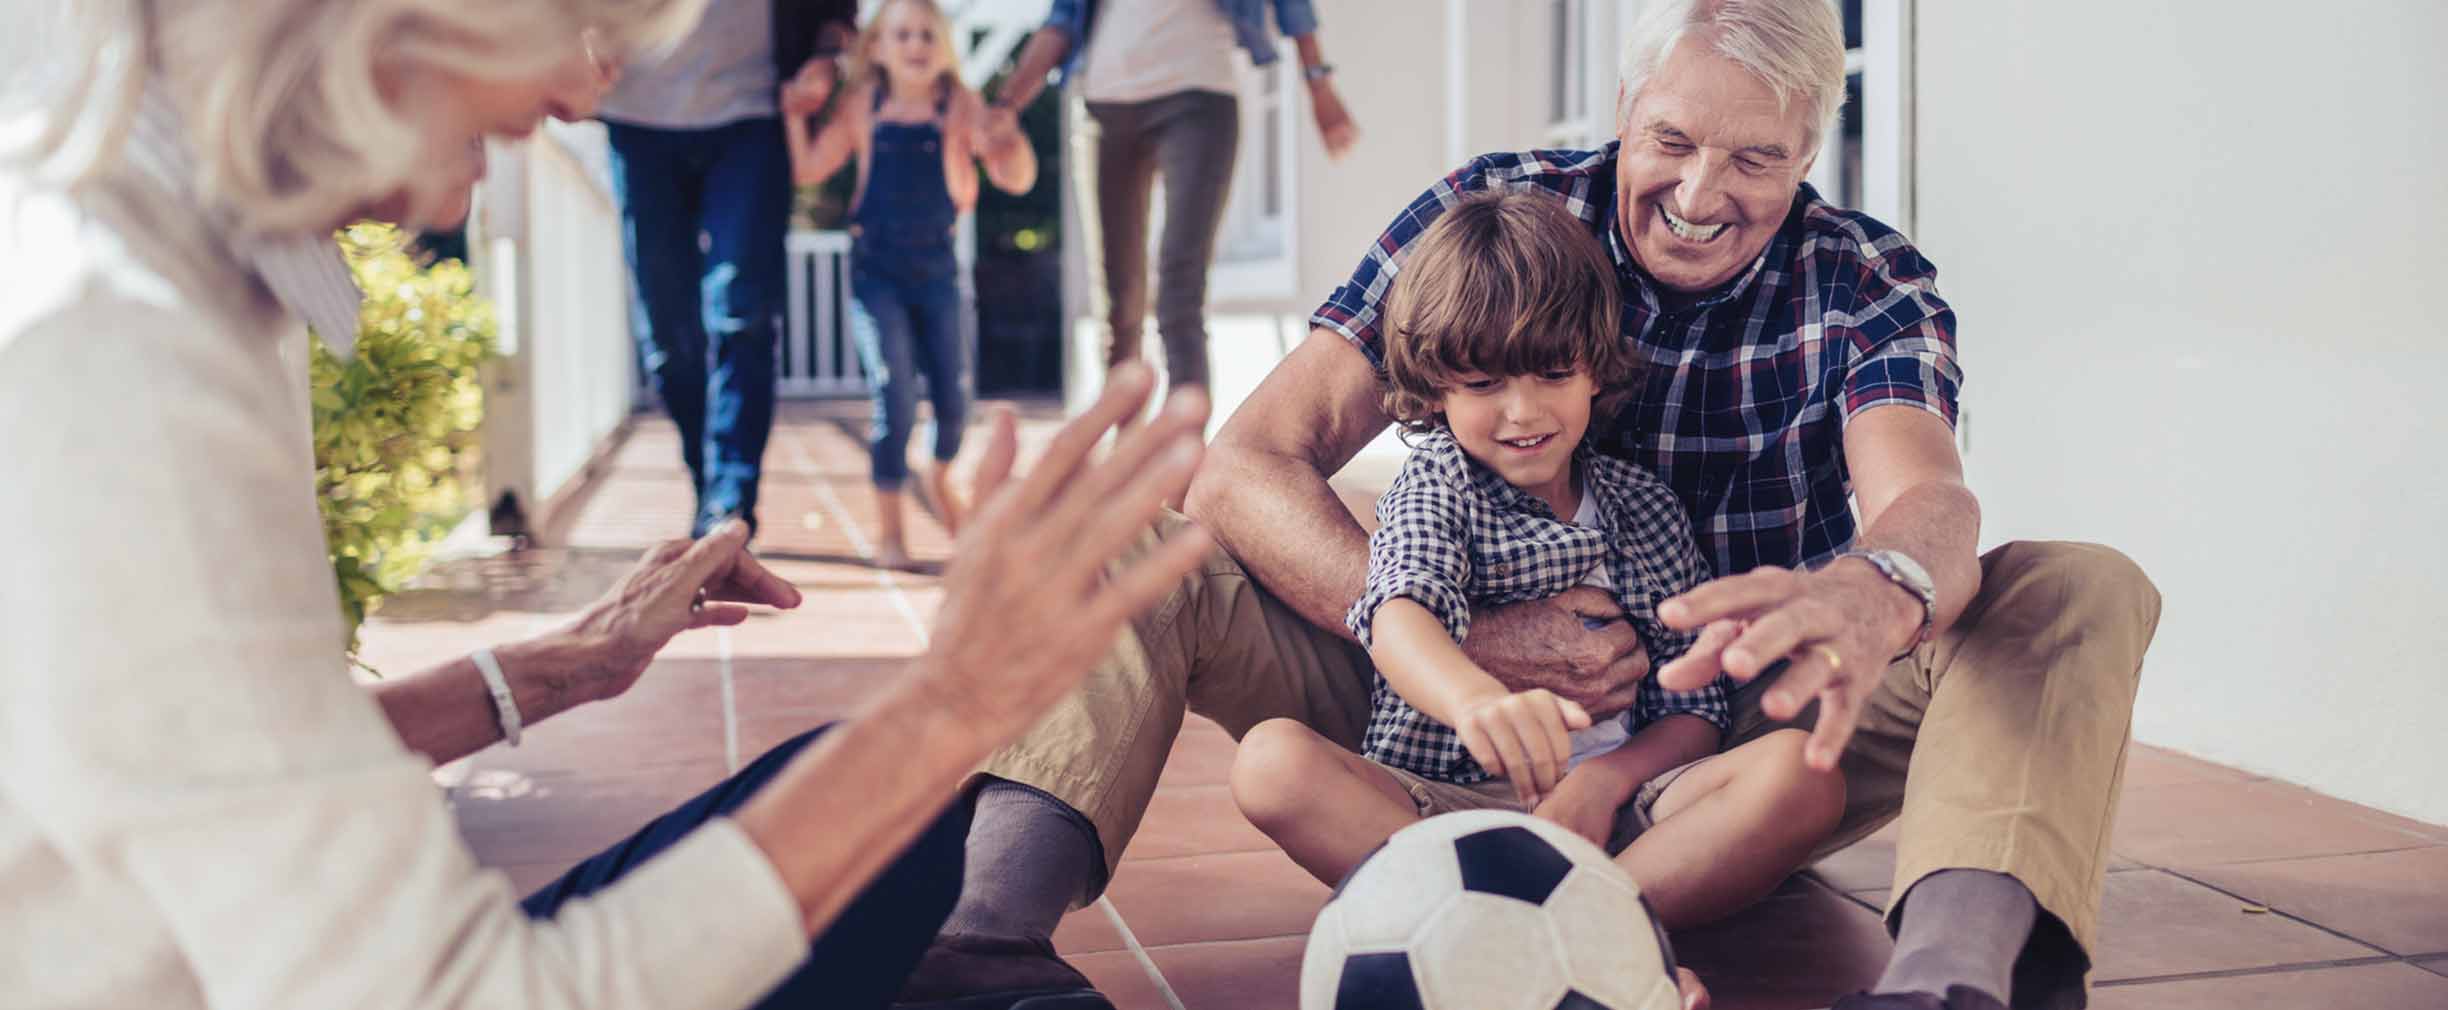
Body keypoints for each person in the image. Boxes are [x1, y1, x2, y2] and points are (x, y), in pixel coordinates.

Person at [909, 2, 2161, 1009]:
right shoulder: (1495, 217)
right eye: (1672, 140)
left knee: (2073, 584)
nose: (1701, 191)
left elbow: (1928, 497)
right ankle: (983, 946)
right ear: (1625, 108)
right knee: (1135, 539)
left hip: (1743, 720)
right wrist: (1454, 648)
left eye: (1757, 158)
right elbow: (1244, 463)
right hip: (1437, 708)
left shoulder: (1867, 282)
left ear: (1811, 147)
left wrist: (1869, 590)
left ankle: (1947, 984)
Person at [0, 1, 1214, 1007]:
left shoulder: (149, 262)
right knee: (896, 785)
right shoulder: (114, 353)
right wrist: (954, 700)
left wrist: (564, 667)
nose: (584, 95)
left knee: (895, 820)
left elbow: (242, 771)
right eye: (578, 18)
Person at [1230, 191, 1846, 930]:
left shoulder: (1643, 506)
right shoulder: (1438, 486)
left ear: (1595, 371)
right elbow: (1398, 615)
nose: (1523, 413)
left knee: (1803, 773)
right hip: (1447, 806)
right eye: (1485, 384)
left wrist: (1607, 783)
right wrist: (1475, 701)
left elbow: (1694, 709)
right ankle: (1582, 934)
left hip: (1622, 819)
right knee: (1272, 765)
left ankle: (1574, 932)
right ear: (1436, 389)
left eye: (1552, 375)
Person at [981, 0, 1361, 403]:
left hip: (1199, 97)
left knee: (1180, 290)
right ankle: (1126, 443)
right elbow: (1061, 20)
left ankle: (1185, 444)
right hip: (1104, 108)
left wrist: (1319, 84)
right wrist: (1006, 106)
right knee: (1117, 300)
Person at [782, 0, 1039, 571]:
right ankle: (892, 532)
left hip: (938, 274)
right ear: (876, 47)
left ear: (942, 45)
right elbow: (806, 171)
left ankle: (940, 474)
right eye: (902, 34)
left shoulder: (957, 106)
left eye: (927, 33)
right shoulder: (862, 106)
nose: (916, 45)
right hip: (878, 274)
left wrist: (1008, 140)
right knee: (892, 390)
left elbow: (1016, 180)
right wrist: (794, 116)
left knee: (954, 401)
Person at [599, 0, 854, 539]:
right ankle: (707, 475)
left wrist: (827, 59)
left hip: (752, 115)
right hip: (638, 117)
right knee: (667, 340)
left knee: (745, 313)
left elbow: (835, 12)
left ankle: (731, 500)